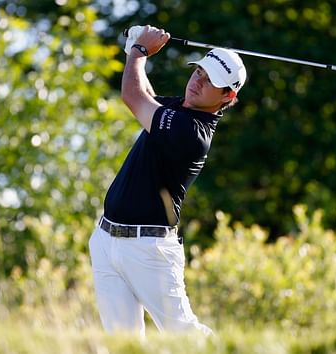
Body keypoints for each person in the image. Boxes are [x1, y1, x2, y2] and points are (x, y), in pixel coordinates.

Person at [88, 25, 247, 336]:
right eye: (198, 71)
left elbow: (131, 96)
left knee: (183, 333)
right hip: (107, 241)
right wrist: (132, 48)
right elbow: (145, 93)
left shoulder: (193, 133)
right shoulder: (179, 108)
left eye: (210, 80)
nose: (197, 81)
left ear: (227, 95)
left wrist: (141, 51)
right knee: (123, 343)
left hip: (150, 251)